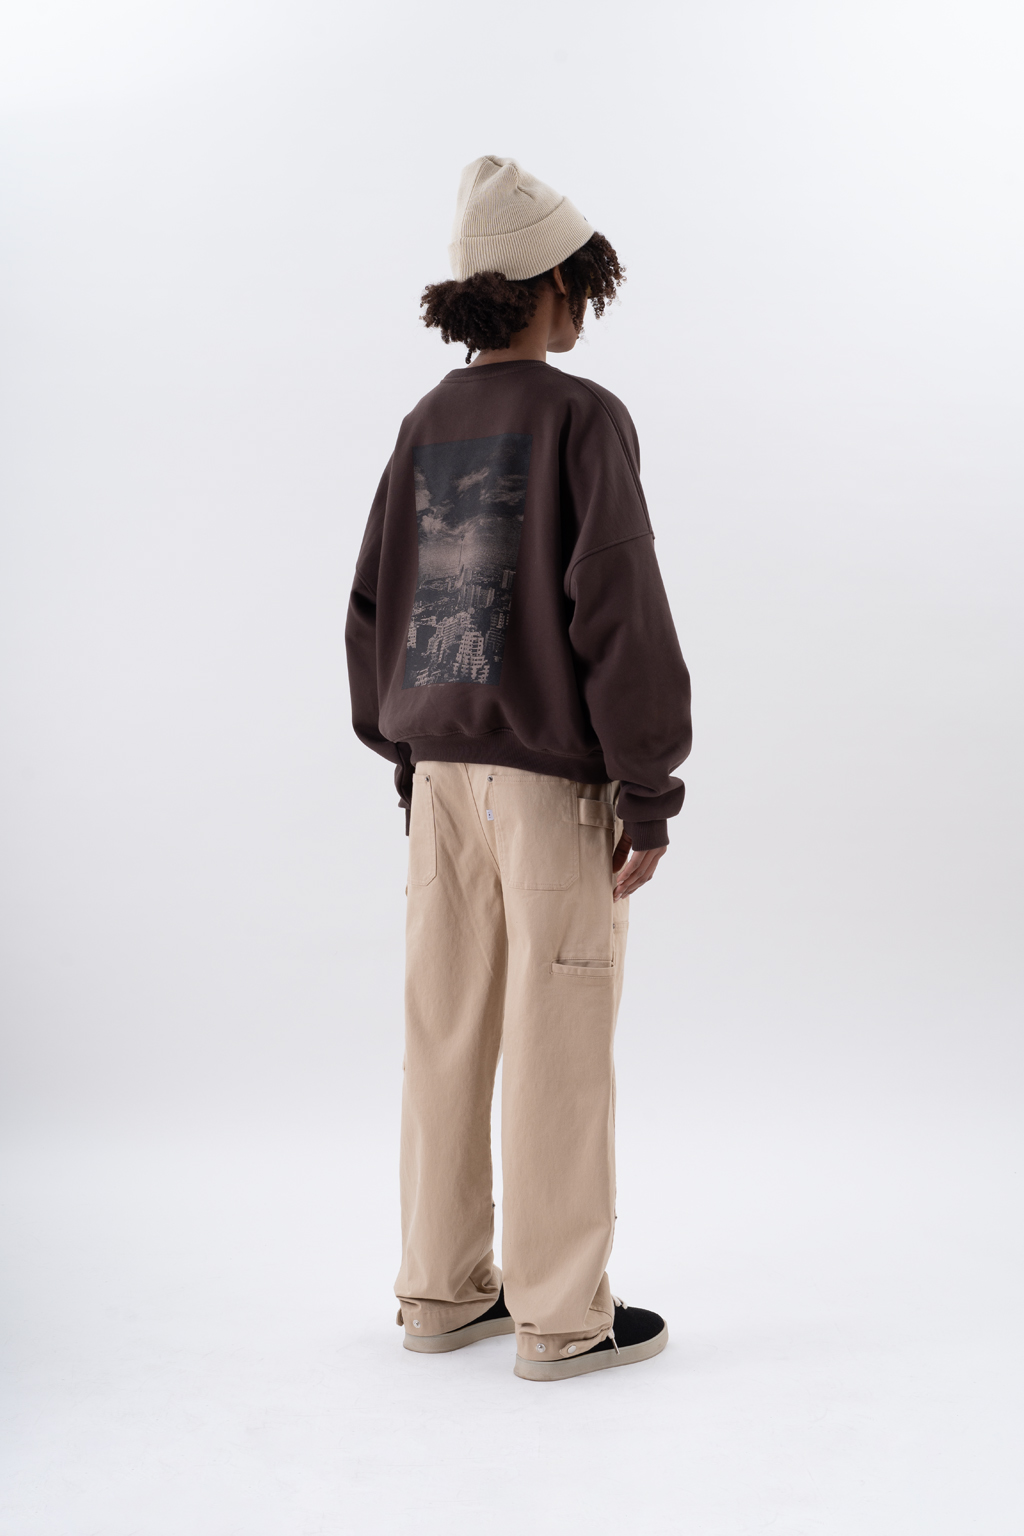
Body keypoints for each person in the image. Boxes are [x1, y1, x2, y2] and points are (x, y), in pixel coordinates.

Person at [346, 156, 691, 1381]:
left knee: (443, 1032)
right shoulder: (580, 416)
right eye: (578, 283)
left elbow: (374, 606)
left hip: (437, 777)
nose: (581, 306)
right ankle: (559, 1319)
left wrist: (406, 753)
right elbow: (617, 607)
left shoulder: (423, 424)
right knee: (558, 1040)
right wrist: (648, 790)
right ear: (552, 285)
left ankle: (440, 1293)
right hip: (546, 786)